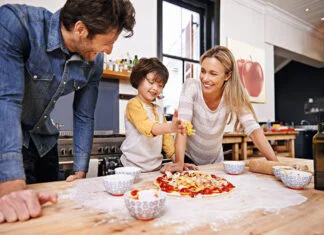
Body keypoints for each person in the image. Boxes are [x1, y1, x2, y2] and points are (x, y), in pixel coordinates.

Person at [0, 0, 135, 222]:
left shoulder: (95, 61)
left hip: (45, 145)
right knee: (19, 219)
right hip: (9, 144)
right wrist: (10, 180)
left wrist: (79, 170)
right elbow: (6, 100)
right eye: (108, 42)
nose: (109, 50)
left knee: (52, 216)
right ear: (80, 29)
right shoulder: (16, 24)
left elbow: (84, 115)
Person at [161, 46, 278, 173]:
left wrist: (276, 165)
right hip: (187, 161)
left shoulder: (233, 94)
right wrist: (179, 162)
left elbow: (253, 129)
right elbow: (183, 126)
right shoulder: (191, 87)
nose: (205, 78)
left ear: (227, 75)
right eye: (203, 71)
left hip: (216, 162)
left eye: (213, 74)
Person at [120, 58, 190, 172]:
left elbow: (167, 142)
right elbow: (148, 127)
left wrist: (178, 163)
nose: (155, 88)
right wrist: (170, 127)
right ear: (138, 79)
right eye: (151, 82)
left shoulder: (158, 109)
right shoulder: (133, 104)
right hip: (131, 169)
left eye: (160, 85)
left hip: (155, 169)